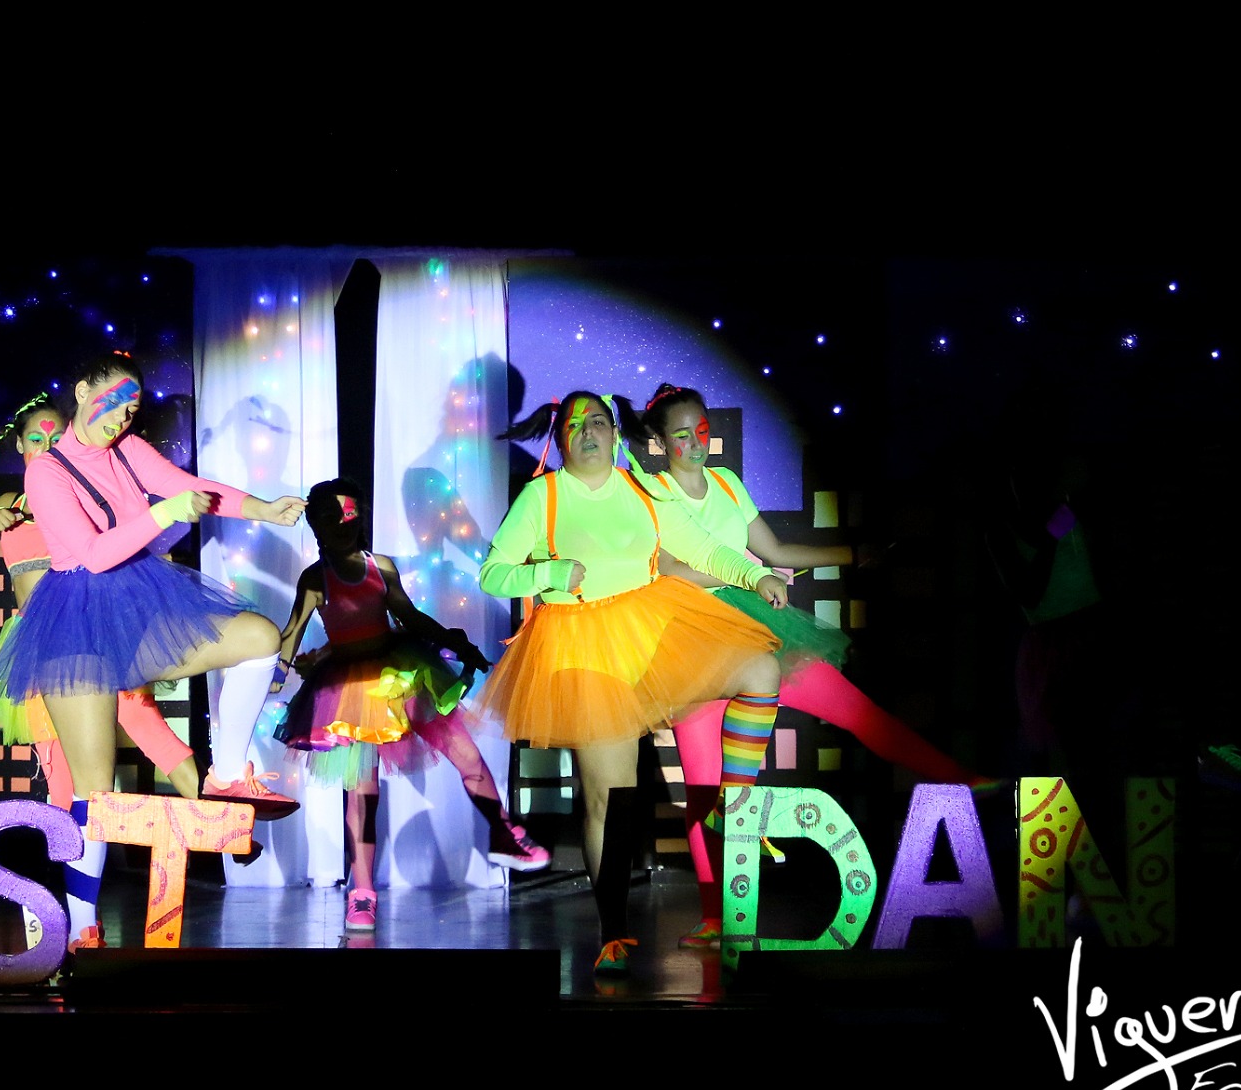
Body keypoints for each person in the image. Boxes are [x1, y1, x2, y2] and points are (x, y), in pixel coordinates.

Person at [628, 385, 1004, 948]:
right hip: (692, 640)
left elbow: (775, 552)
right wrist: (748, 573)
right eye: (681, 435)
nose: (695, 444)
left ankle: (961, 778)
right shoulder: (652, 494)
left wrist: (850, 555)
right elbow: (669, 569)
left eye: (701, 431)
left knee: (859, 713)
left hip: (759, 625)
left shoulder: (727, 483)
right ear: (659, 442)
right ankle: (715, 917)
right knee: (705, 791)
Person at [0, 351, 307, 951]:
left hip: (138, 607)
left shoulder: (128, 450)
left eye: (131, 411)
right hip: (76, 626)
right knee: (93, 788)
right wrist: (161, 513)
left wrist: (262, 508)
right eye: (114, 404)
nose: (122, 419)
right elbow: (91, 554)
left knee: (260, 638)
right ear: (83, 390)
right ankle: (83, 926)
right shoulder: (45, 473)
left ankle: (227, 776)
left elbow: (192, 489)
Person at [478, 391, 789, 976]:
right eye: (574, 425)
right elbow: (492, 573)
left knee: (760, 669)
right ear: (560, 439)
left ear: (616, 432)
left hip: (652, 633)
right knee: (612, 800)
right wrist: (548, 571)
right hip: (583, 649)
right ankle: (613, 930)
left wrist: (755, 575)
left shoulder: (642, 487)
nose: (587, 431)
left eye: (597, 421)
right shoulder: (542, 495)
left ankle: (731, 801)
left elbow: (702, 548)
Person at [272, 478, 548, 932]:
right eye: (334, 516)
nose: (345, 522)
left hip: (400, 674)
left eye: (351, 513)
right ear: (317, 524)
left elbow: (410, 616)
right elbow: (292, 630)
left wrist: (454, 642)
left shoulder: (380, 567)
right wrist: (275, 673)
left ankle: (504, 832)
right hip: (350, 688)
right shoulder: (315, 579)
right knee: (361, 792)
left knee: (467, 755)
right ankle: (362, 892)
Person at [0, 394, 202, 817]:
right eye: (36, 439)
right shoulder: (10, 504)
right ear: (19, 445)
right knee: (61, 770)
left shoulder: (85, 497)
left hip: (93, 634)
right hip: (39, 646)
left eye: (56, 438)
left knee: (146, 726)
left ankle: (220, 819)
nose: (46, 447)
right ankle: (72, 852)